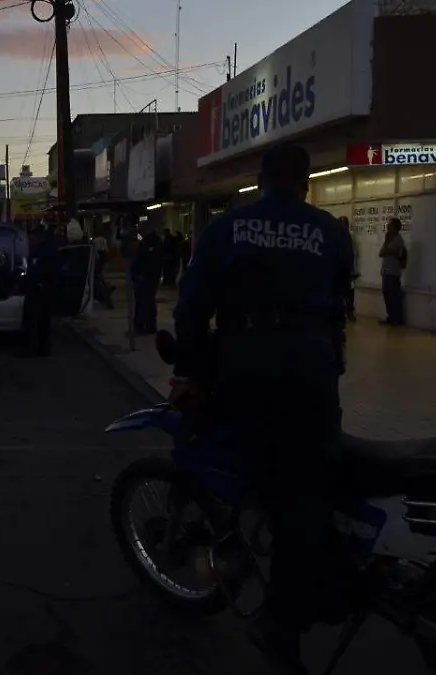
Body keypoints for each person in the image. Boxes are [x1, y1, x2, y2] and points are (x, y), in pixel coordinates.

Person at [172, 142, 353, 675]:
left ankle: (281, 621)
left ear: (262, 178)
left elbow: (191, 306)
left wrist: (187, 370)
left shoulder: (228, 229)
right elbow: (340, 301)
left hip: (248, 368)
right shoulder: (330, 232)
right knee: (314, 477)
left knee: (266, 483)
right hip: (313, 369)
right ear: (307, 179)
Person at [20, 225, 59, 357]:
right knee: (43, 322)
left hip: (39, 290)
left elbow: (38, 271)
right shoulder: (44, 249)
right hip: (43, 289)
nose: (30, 242)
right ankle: (43, 349)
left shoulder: (43, 251)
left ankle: (31, 350)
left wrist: (30, 282)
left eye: (31, 239)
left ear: (39, 237)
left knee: (32, 321)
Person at [130, 219, 163, 335]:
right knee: (142, 301)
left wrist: (142, 274)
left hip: (148, 278)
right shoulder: (145, 242)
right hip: (143, 277)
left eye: (141, 230)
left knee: (146, 301)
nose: (140, 233)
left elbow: (152, 262)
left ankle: (147, 325)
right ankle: (142, 324)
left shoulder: (153, 244)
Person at [378, 217, 407, 326]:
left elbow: (396, 253)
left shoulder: (398, 240)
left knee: (394, 296)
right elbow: (381, 253)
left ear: (396, 227)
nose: (388, 227)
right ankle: (390, 317)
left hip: (393, 272)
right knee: (387, 295)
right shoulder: (388, 239)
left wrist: (388, 251)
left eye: (390, 226)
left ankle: (397, 319)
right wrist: (387, 247)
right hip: (386, 271)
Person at [338, 216, 358, 322]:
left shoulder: (350, 237)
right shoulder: (337, 237)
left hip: (348, 269)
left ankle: (349, 312)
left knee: (349, 292)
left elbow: (354, 254)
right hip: (340, 269)